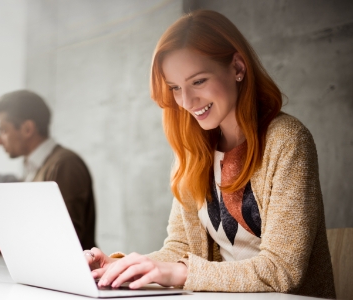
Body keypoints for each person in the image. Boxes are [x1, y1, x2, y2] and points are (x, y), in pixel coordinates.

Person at [84, 10, 335, 299]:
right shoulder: (192, 150)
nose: (187, 101)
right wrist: (121, 268)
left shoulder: (288, 141)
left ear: (238, 67)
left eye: (199, 81)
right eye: (175, 88)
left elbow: (283, 270)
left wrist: (182, 272)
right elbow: (181, 247)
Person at [0, 90, 97, 250]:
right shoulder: (33, 168)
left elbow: (65, 239)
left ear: (27, 129)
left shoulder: (65, 164)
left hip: (68, 274)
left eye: (3, 130)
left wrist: (1, 245)